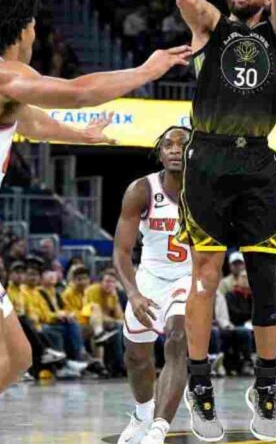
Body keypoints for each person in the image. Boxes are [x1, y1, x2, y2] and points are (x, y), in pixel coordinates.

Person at [0, 0, 190, 444]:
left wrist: (82, 136)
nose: (37, 35)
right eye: (34, 26)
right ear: (22, 29)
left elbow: (29, 121)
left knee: (15, 356)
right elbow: (77, 91)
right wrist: (145, 72)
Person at [175, 0, 276, 442]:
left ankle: (265, 388)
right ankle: (200, 387)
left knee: (265, 281)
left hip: (257, 165)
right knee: (204, 277)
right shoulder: (210, 29)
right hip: (207, 160)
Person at [112, 137, 193, 444]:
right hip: (149, 279)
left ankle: (158, 430)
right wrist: (133, 293)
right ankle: (142, 416)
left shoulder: (206, 189)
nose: (176, 149)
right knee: (136, 356)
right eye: (169, 144)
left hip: (188, 277)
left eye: (184, 144)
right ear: (160, 152)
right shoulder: (141, 190)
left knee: (177, 338)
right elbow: (121, 251)